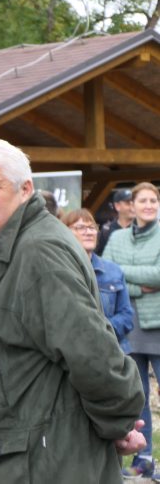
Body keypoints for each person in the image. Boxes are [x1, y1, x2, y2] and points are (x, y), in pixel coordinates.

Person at [0, 139, 145, 482]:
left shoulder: (39, 252)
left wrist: (119, 421)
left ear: (25, 189)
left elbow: (93, 354)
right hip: (15, 458)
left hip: (39, 465)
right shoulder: (12, 246)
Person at [102, 181, 160, 478]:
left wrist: (125, 279)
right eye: (143, 201)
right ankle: (144, 457)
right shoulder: (117, 237)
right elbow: (108, 272)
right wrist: (144, 285)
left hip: (158, 326)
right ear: (132, 206)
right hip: (129, 329)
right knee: (137, 396)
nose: (149, 205)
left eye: (154, 200)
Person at [61, 209, 133, 353]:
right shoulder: (59, 270)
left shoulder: (113, 271)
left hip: (113, 353)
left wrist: (101, 331)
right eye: (80, 227)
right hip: (74, 355)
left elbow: (127, 316)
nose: (89, 232)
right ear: (65, 233)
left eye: (92, 227)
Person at [97, 188, 135, 255]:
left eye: (134, 203)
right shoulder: (106, 230)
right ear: (117, 206)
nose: (132, 207)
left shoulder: (143, 228)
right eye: (128, 203)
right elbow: (100, 255)